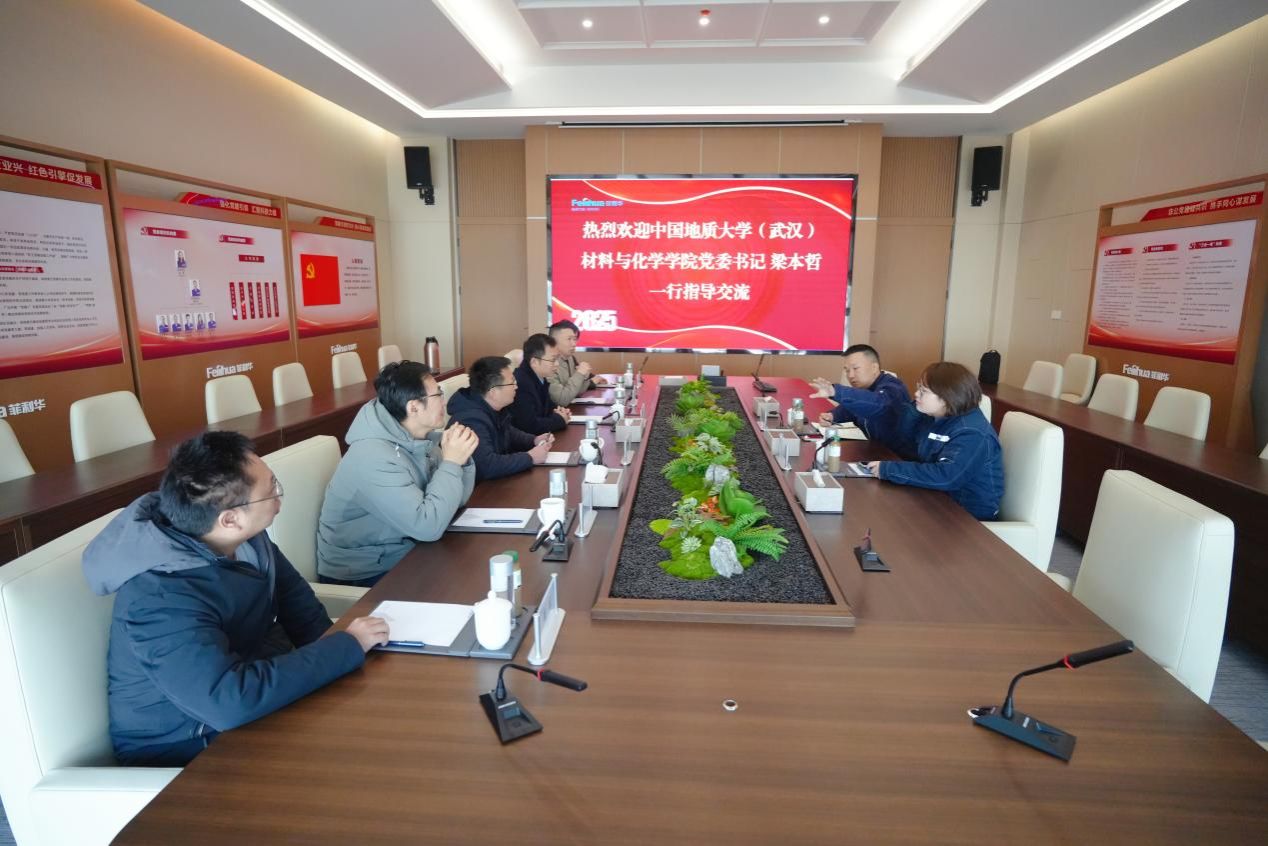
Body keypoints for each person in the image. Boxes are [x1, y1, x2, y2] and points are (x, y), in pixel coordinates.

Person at [82, 431, 390, 767]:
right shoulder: (159, 597)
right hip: (186, 745)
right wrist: (345, 647)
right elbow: (226, 702)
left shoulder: (243, 539)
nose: (279, 498)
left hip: (248, 703)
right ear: (230, 519)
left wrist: (345, 658)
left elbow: (300, 608)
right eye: (271, 490)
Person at [318, 361, 478, 587]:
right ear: (413, 407)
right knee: (466, 582)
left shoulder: (419, 438)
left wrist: (461, 458)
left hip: (406, 549)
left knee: (475, 567)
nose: (444, 401)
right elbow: (427, 526)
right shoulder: (372, 457)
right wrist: (451, 462)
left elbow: (454, 502)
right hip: (364, 571)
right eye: (438, 394)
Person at [814, 361, 1003, 519]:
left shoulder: (972, 433)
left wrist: (889, 469)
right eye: (919, 388)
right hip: (934, 497)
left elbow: (947, 476)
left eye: (924, 391)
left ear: (947, 397)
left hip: (966, 515)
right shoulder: (933, 417)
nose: (916, 394)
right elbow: (901, 440)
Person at [448, 355, 553, 481]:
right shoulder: (470, 421)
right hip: (480, 490)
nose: (516, 386)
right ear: (493, 392)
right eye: (512, 383)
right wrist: (530, 457)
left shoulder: (491, 407)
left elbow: (508, 432)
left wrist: (534, 440)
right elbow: (487, 465)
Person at [811, 344, 910, 435]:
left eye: (856, 368)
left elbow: (876, 404)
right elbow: (851, 410)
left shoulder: (894, 388)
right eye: (847, 370)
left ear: (874, 367)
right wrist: (832, 416)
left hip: (891, 449)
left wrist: (835, 391)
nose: (850, 375)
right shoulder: (865, 388)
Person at [510, 333, 572, 435]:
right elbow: (529, 426)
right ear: (534, 362)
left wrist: (560, 411)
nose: (557, 364)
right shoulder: (520, 383)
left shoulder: (539, 377)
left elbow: (547, 408)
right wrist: (560, 420)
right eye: (553, 360)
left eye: (557, 359)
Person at [547, 319, 607, 406]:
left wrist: (587, 379)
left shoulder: (570, 358)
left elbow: (575, 391)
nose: (574, 344)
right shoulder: (547, 363)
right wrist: (580, 373)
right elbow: (561, 400)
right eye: (569, 339)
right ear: (553, 341)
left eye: (575, 339)